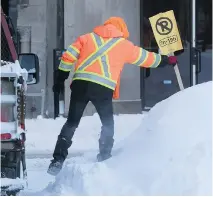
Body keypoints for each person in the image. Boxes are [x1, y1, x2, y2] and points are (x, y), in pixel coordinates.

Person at [47, 16, 178, 176]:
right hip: (103, 88)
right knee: (107, 123)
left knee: (71, 123)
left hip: (81, 85)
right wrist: (166, 60)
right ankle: (104, 157)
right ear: (122, 29)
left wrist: (61, 79)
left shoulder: (87, 38)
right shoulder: (124, 45)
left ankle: (57, 160)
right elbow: (146, 58)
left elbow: (68, 56)